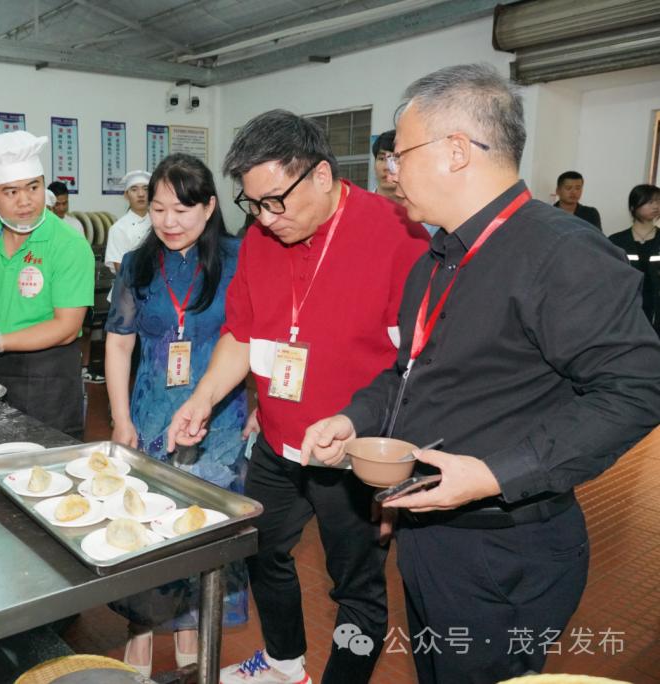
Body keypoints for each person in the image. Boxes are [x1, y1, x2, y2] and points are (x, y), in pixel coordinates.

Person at [301, 64, 660, 684]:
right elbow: (407, 372)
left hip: (505, 551)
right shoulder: (437, 260)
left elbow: (636, 388)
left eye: (400, 154)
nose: (390, 173)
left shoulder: (561, 253)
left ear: (457, 151)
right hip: (429, 531)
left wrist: (496, 473)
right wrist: (352, 417)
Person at [167, 109, 429, 684]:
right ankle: (284, 663)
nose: (264, 217)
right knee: (262, 551)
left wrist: (393, 468)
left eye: (275, 201)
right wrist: (204, 398)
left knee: (355, 586)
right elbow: (243, 331)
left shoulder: (398, 234)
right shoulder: (262, 238)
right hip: (277, 443)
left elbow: (416, 366)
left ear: (321, 175)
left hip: (352, 455)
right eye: (253, 203)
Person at [104, 153, 248, 675]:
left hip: (221, 419)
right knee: (147, 524)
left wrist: (260, 407)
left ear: (209, 207)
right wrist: (122, 419)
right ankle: (141, 629)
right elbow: (118, 345)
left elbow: (254, 335)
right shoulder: (139, 264)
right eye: (159, 209)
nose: (168, 221)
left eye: (182, 210)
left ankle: (193, 625)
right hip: (152, 411)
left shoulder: (239, 259)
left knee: (202, 527)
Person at [0, 131, 94, 437]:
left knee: (48, 466)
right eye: (10, 192)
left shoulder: (68, 244)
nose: (25, 201)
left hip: (50, 374)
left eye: (33, 187)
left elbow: (66, 327)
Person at [608, 184, 660, 335]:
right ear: (633, 206)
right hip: (625, 309)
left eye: (658, 201)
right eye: (649, 202)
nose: (656, 206)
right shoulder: (617, 240)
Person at [104, 170, 151, 273]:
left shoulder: (159, 223)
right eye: (134, 190)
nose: (141, 194)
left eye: (146, 189)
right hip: (130, 286)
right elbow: (121, 270)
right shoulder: (118, 228)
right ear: (126, 195)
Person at [371, 130, 398, 201]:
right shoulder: (360, 207)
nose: (387, 167)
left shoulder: (422, 209)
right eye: (382, 159)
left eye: (395, 159)